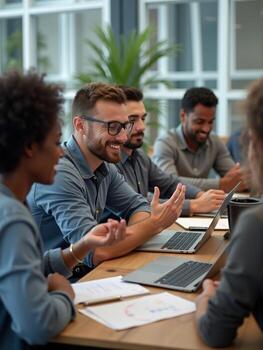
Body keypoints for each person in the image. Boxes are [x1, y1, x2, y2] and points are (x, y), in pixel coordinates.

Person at [0, 71, 126, 349]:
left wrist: (79, 248)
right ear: (30, 147)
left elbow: (21, 270)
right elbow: (38, 325)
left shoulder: (10, 204)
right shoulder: (12, 219)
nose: (61, 152)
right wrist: (63, 295)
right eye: (56, 142)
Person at [27, 82, 185, 272]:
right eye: (113, 127)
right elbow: (95, 251)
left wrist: (125, 239)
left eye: (125, 126)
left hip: (90, 276)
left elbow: (137, 206)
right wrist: (153, 224)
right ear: (80, 125)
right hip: (52, 287)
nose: (122, 138)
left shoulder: (104, 166)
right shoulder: (59, 172)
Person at [195, 77, 263, 347]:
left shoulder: (257, 224)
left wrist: (206, 300)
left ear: (255, 143)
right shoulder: (167, 142)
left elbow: (216, 331)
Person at [114, 86, 225, 216]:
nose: (142, 127)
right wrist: (195, 205)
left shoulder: (139, 157)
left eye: (143, 119)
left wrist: (200, 195)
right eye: (132, 120)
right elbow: (135, 202)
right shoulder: (109, 162)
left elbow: (169, 184)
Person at [152, 87, 247, 192]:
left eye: (211, 122)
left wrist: (238, 180)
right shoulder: (165, 143)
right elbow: (168, 184)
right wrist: (221, 184)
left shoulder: (214, 141)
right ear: (183, 116)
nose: (206, 129)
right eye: (199, 121)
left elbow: (236, 179)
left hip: (206, 206)